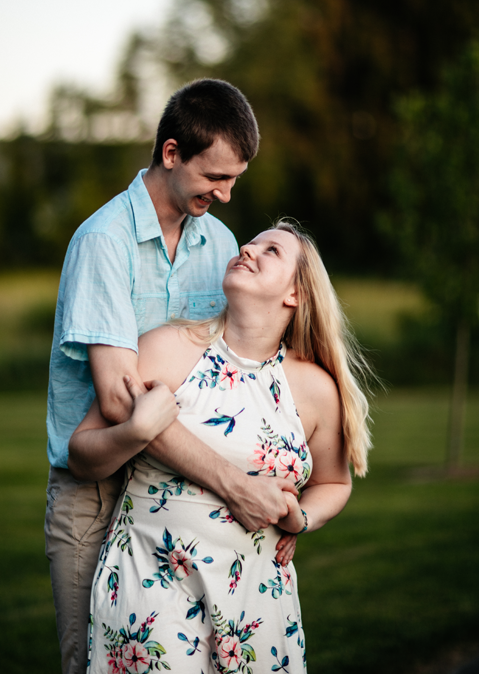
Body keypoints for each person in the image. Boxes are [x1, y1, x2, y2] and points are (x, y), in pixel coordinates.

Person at [44, 79, 293, 674]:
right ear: (173, 153)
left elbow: (238, 370)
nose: (228, 194)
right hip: (98, 488)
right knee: (96, 664)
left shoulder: (223, 243)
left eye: (236, 178)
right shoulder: (104, 240)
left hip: (183, 502)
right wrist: (236, 485)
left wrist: (277, 496)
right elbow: (117, 400)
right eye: (216, 177)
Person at [69, 220, 373, 672]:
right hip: (155, 586)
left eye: (271, 251)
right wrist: (135, 432)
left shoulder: (313, 389)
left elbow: (334, 481)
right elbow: (82, 454)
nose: (249, 248)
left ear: (295, 294)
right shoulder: (164, 349)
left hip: (258, 597)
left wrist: (301, 518)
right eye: (252, 242)